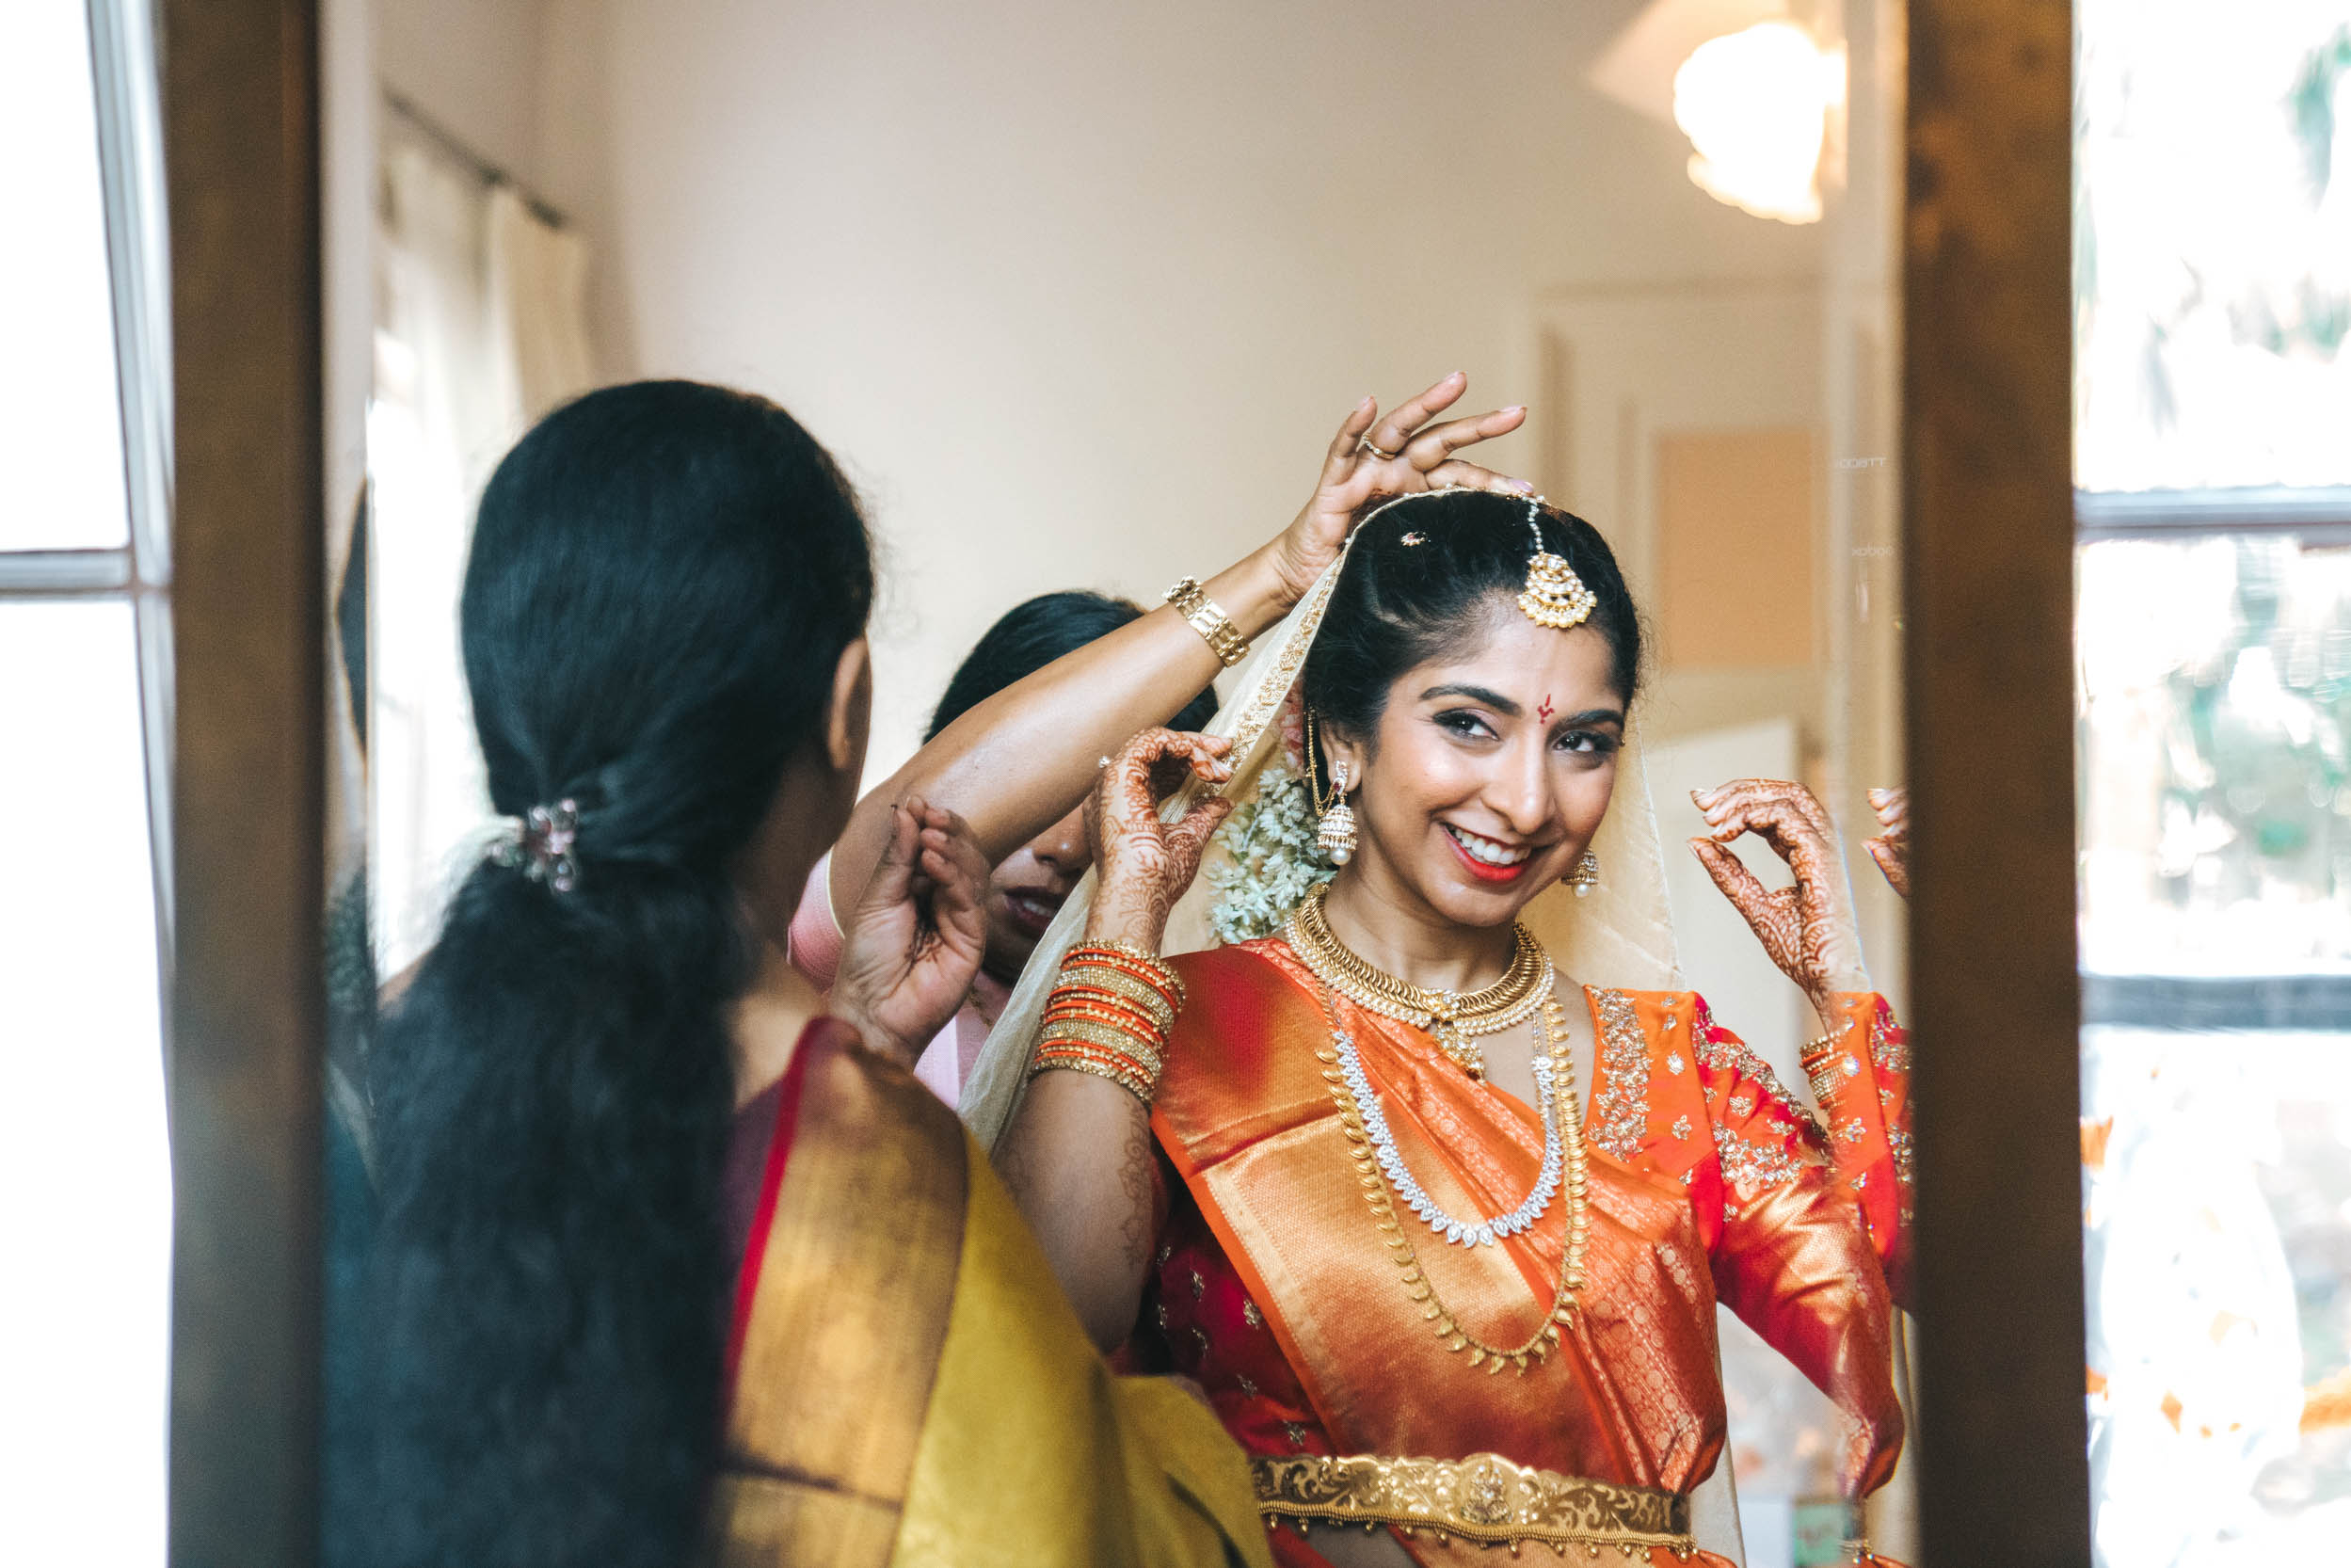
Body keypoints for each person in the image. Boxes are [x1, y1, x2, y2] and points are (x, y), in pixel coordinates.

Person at [350, 380, 1274, 1568]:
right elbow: (1040, 1526)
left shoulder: (378, 1043)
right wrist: (1190, 1456)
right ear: (847, 709)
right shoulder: (869, 1161)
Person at [984, 488, 1918, 1567]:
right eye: (1465, 722)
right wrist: (1126, 912)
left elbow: (1901, 1278)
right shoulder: (1180, 1026)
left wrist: (1845, 985)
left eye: (1580, 741)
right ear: (1335, 731)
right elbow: (1046, 1308)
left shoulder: (1671, 1063)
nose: (1525, 801)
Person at [788, 590, 1217, 1104]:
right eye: (1044, 794)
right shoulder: (845, 935)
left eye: (1115, 804)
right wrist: (1276, 577)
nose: (1065, 847)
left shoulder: (1153, 1045)